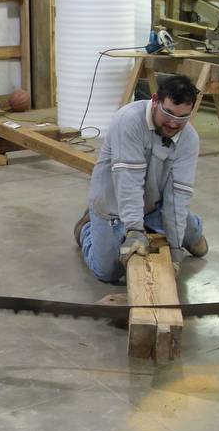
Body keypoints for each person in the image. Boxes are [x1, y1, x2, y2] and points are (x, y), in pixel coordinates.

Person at [73, 74, 208, 283]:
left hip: (154, 204)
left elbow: (178, 194)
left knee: (199, 248)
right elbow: (129, 181)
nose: (174, 123)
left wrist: (174, 248)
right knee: (108, 272)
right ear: (155, 100)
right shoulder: (129, 121)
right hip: (113, 203)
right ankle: (87, 228)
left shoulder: (189, 138)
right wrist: (135, 230)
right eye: (169, 113)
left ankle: (186, 229)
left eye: (182, 117)